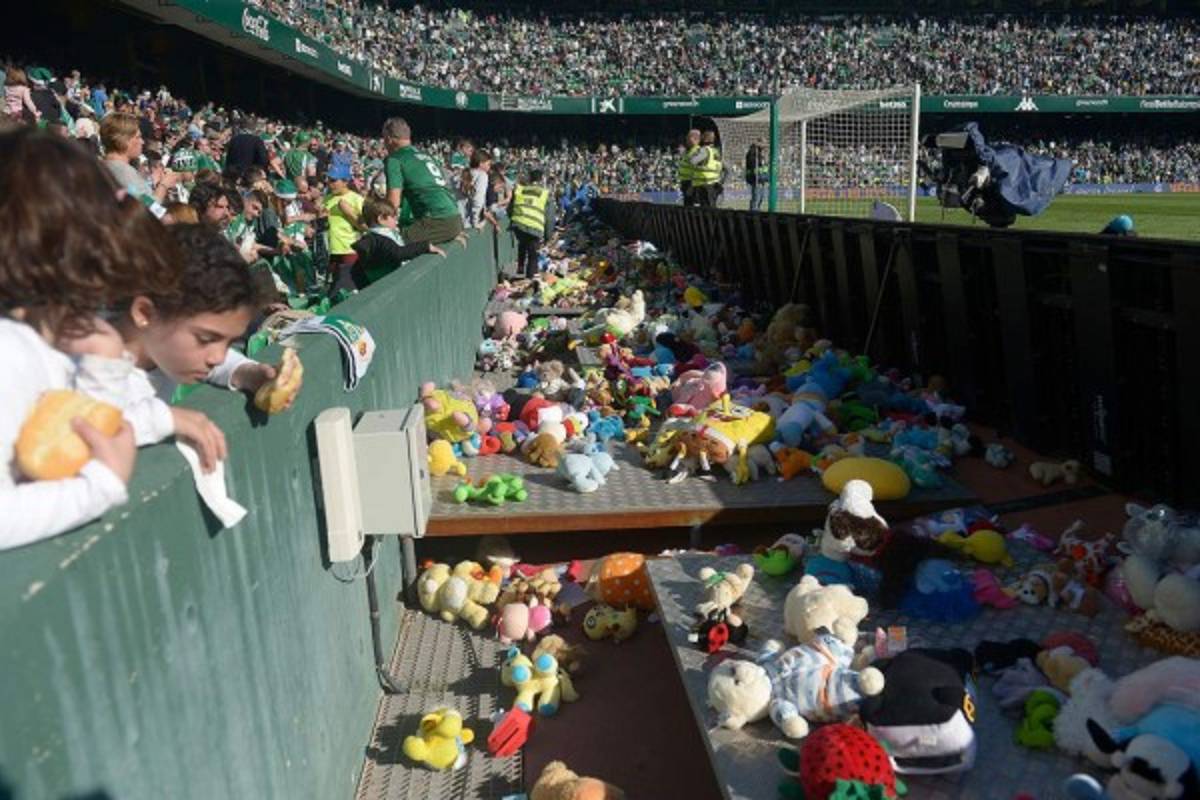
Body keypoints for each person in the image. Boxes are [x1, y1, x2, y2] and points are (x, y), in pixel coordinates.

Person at [0, 128, 179, 549]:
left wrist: (102, 359)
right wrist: (99, 487)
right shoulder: (9, 350)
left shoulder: (64, 340)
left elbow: (85, 439)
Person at [381, 117, 464, 245]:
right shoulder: (426, 155)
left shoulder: (395, 159)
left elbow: (393, 203)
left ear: (389, 139)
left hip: (437, 220)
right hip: (455, 218)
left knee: (387, 243)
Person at [350, 199, 447, 288]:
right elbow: (398, 253)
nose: (396, 220)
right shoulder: (381, 240)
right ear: (381, 219)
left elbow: (355, 271)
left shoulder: (372, 239)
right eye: (393, 217)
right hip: (389, 286)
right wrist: (425, 246)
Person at [100, 112, 178, 205]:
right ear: (124, 141)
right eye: (138, 137)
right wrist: (164, 185)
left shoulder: (103, 165)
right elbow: (150, 207)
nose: (142, 142)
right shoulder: (124, 173)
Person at [323, 160, 366, 295]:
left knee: (349, 289)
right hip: (331, 249)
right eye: (329, 180)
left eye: (334, 180)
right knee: (333, 288)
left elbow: (365, 227)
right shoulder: (327, 198)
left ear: (345, 181)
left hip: (350, 249)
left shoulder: (356, 199)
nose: (330, 184)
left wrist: (348, 213)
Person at [508, 168, 554, 280]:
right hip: (534, 226)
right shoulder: (545, 193)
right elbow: (549, 217)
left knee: (523, 242)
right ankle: (529, 280)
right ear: (542, 180)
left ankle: (520, 266)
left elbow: (510, 208)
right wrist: (548, 236)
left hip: (518, 224)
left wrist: (514, 220)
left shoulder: (520, 190)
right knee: (533, 255)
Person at [461, 148, 493, 228]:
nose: (490, 167)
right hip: (469, 222)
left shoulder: (463, 172)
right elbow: (478, 200)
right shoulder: (482, 175)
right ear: (481, 164)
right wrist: (475, 223)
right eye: (488, 164)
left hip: (458, 220)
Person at [693, 130, 723, 208]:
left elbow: (693, 161)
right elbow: (726, 169)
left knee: (705, 210)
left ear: (705, 139)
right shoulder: (716, 151)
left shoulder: (704, 150)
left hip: (705, 185)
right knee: (712, 208)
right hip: (715, 184)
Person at [678, 129, 700, 207]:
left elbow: (698, 169)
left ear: (695, 139)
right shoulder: (689, 151)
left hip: (691, 184)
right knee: (687, 206)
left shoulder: (697, 151)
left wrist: (692, 186)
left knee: (691, 207)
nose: (686, 139)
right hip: (686, 183)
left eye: (688, 137)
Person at [745, 137, 768, 211]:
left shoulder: (760, 153)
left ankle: (756, 210)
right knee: (756, 197)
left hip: (762, 178)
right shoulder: (752, 152)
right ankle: (753, 212)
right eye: (763, 144)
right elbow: (752, 164)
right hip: (755, 178)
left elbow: (763, 166)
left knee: (761, 197)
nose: (765, 146)